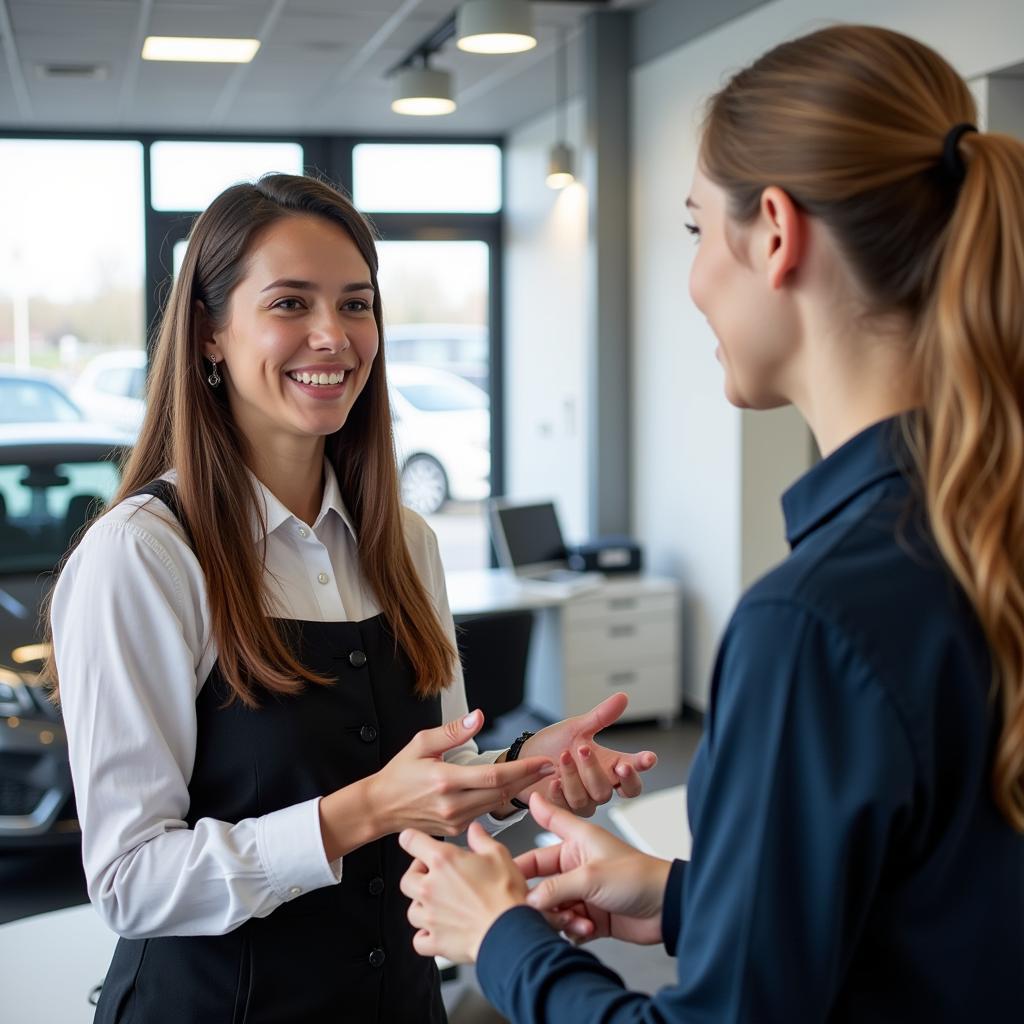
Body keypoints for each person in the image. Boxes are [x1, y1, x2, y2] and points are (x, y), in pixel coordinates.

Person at [397, 24, 1024, 1022]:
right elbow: (948, 919)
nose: (692, 282)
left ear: (774, 232)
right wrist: (688, 896)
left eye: (695, 231)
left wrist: (500, 936)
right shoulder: (973, 535)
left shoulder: (813, 622)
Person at [45, 173, 659, 1023]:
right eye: (290, 304)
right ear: (210, 335)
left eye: (357, 304)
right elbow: (129, 883)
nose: (333, 336)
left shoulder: (407, 544)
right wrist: (358, 812)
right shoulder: (144, 556)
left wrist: (524, 774)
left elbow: (428, 793)